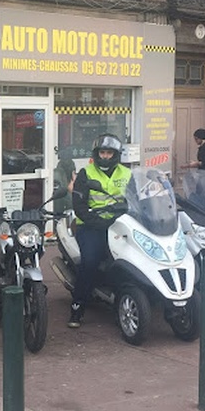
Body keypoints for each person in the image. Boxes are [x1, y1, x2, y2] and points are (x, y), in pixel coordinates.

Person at [68, 133, 132, 328]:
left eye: (109, 152)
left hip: (120, 225)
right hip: (91, 227)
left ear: (116, 154)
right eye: (102, 152)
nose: (105, 156)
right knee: (91, 261)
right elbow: (79, 206)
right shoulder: (86, 174)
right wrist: (96, 222)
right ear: (96, 154)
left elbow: (138, 199)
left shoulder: (127, 173)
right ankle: (78, 306)